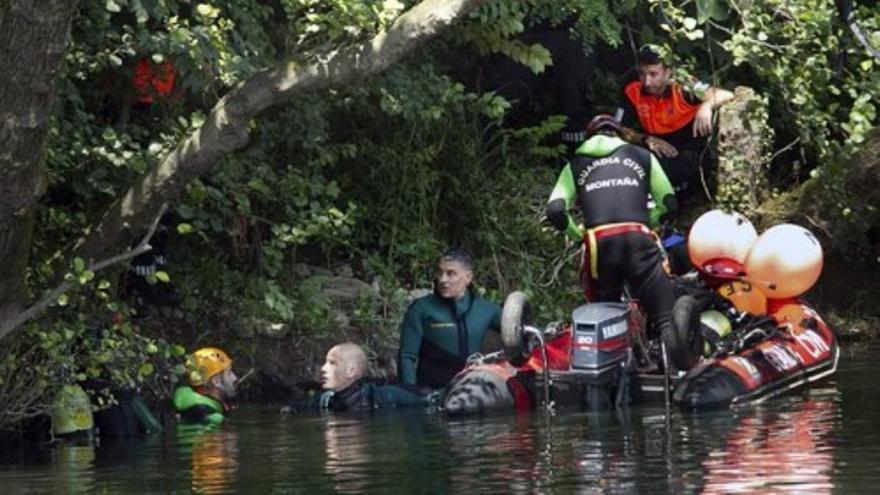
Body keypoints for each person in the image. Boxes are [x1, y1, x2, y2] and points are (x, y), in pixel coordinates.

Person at [545, 114, 678, 344]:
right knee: (666, 317)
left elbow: (555, 210)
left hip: (600, 244)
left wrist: (579, 235)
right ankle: (674, 364)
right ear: (620, 135)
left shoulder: (575, 165)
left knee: (604, 322)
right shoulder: (642, 156)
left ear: (588, 138)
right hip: (637, 237)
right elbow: (669, 204)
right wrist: (649, 220)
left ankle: (611, 370)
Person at [617, 44, 735, 198]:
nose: (647, 82)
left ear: (668, 72)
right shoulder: (631, 86)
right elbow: (619, 129)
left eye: (653, 74)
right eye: (642, 74)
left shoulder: (684, 86)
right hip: (653, 143)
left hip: (687, 145)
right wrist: (645, 139)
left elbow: (726, 94)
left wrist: (706, 105)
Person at [398, 248, 502, 389]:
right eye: (440, 273)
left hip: (469, 392)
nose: (443, 279)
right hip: (430, 392)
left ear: (468, 277)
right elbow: (407, 356)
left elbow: (518, 330)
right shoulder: (421, 308)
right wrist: (410, 392)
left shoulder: (486, 309)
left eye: (451, 273)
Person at [283, 343, 436, 413]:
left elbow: (428, 400)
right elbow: (299, 408)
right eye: (325, 362)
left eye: (332, 363)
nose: (323, 369)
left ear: (351, 371)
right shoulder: (326, 401)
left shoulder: (383, 396)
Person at [174, 347, 238, 425]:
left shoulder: (185, 405)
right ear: (216, 381)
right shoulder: (212, 418)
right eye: (229, 373)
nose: (234, 378)